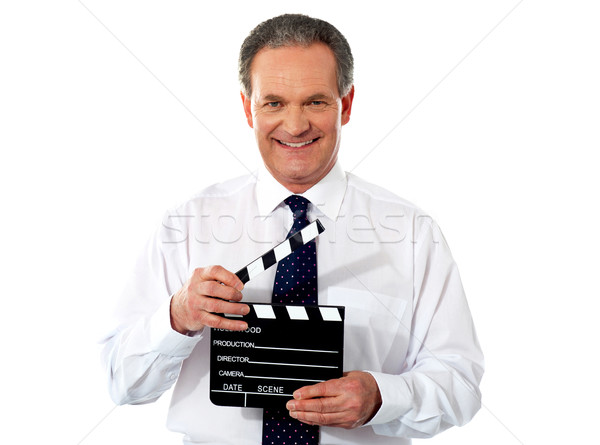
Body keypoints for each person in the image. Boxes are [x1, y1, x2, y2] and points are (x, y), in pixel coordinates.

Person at [102, 13, 484, 445]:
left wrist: (382, 397)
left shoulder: (413, 233)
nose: (296, 124)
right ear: (249, 107)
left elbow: (461, 384)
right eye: (274, 102)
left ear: (347, 103)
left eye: (316, 101)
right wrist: (177, 317)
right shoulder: (187, 225)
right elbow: (121, 380)